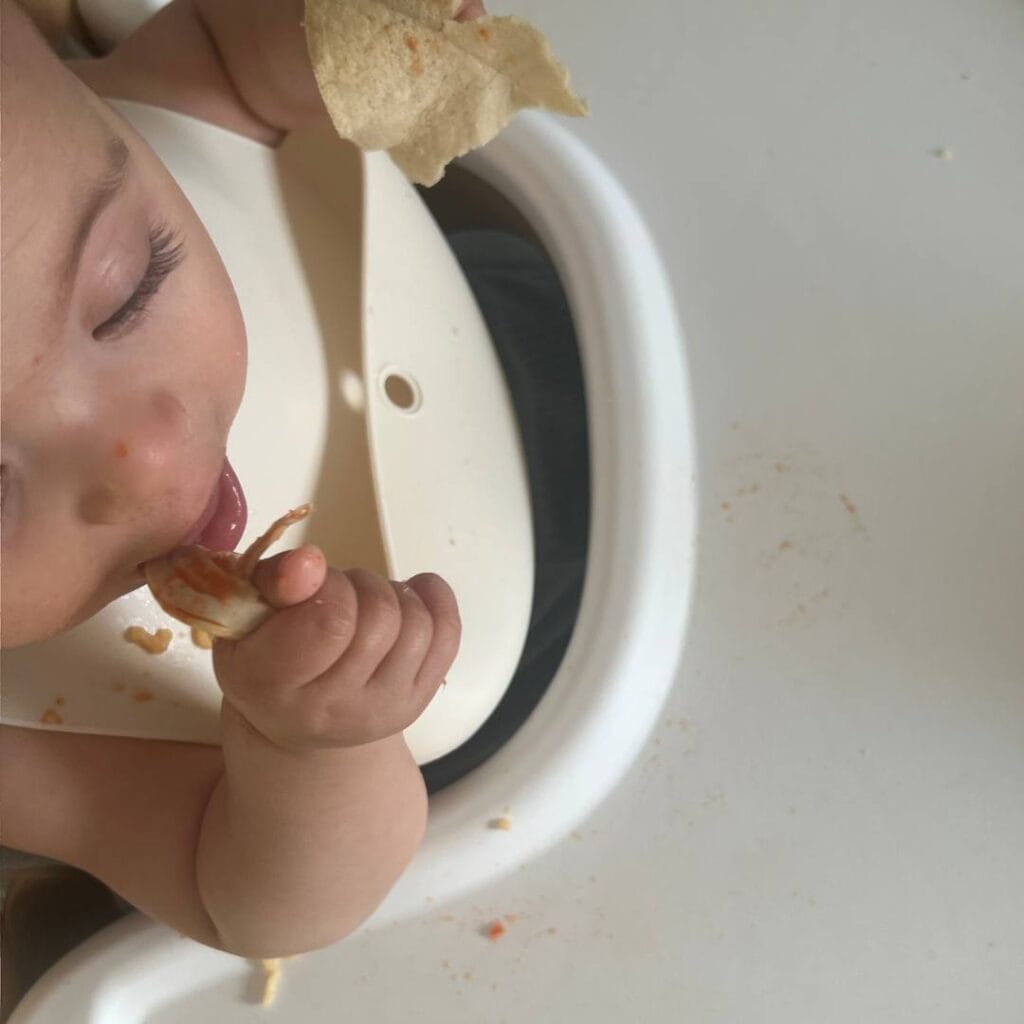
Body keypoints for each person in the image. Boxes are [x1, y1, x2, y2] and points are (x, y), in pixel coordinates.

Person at [0, 0, 492, 958]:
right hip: (501, 715)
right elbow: (239, 900)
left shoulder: (52, 154)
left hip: (477, 317)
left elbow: (229, 58)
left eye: (131, 285)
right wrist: (310, 751)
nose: (141, 458)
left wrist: (329, 40)